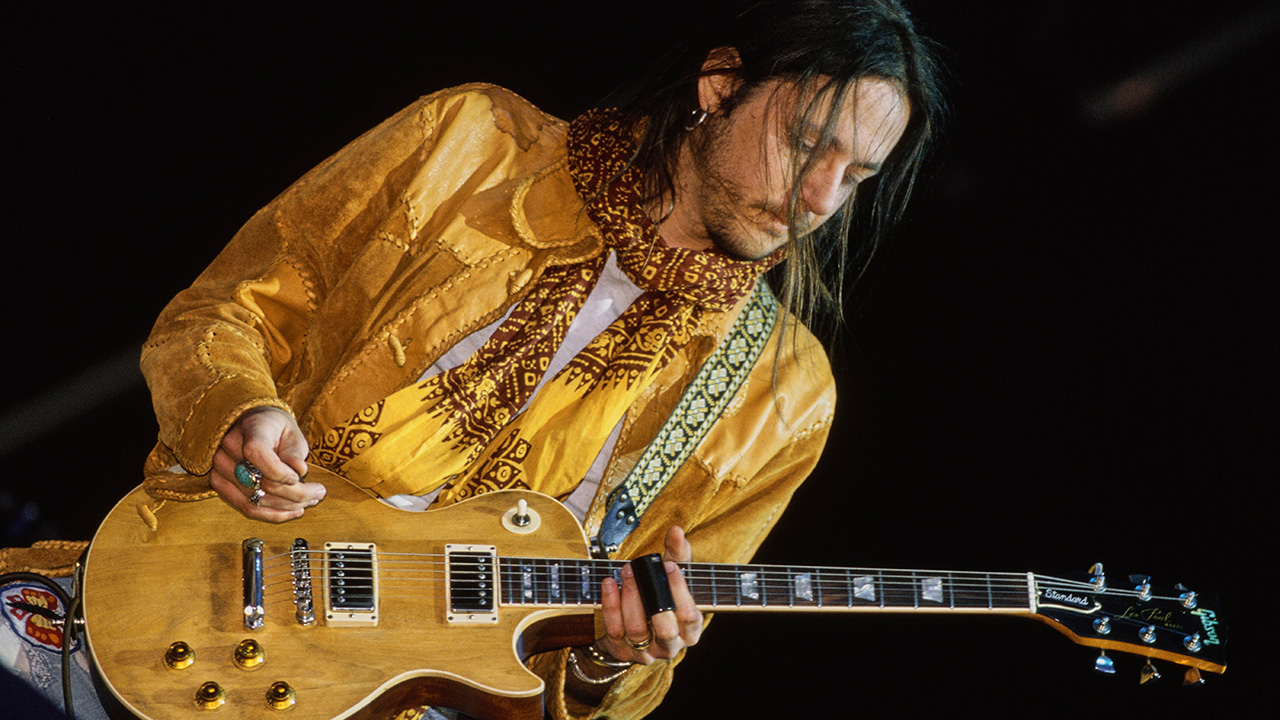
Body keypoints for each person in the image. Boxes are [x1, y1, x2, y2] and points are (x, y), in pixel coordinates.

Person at [3, 1, 943, 718]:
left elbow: (629, 675)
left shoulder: (782, 391)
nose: (821, 196)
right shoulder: (469, 143)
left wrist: (616, 659)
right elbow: (215, 313)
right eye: (807, 143)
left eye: (855, 177)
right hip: (177, 598)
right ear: (719, 85)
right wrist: (237, 412)